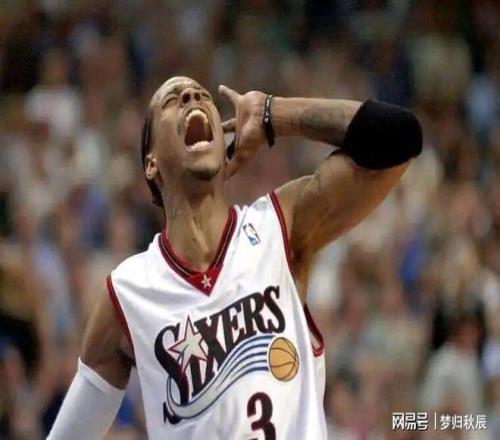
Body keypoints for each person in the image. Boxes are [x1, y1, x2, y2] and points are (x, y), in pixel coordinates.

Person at [47, 76, 422, 439]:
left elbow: (401, 136)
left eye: (201, 95)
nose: (192, 97)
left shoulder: (280, 226)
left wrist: (273, 114)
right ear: (151, 163)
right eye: (172, 99)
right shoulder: (128, 293)